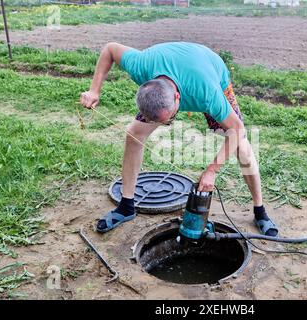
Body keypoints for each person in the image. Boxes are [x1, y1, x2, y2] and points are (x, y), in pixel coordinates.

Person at [80, 41, 278, 237]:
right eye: (159, 121)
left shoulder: (207, 93)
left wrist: (212, 170)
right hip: (171, 70)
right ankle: (126, 206)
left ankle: (260, 210)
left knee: (241, 146)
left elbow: (238, 129)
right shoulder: (141, 65)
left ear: (177, 98)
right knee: (134, 134)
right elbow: (110, 49)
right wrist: (94, 90)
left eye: (169, 119)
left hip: (209, 70)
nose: (167, 125)